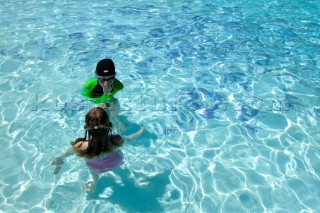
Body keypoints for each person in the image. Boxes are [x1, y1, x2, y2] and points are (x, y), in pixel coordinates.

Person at [52, 107, 145, 194]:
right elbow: (130, 138)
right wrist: (140, 131)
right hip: (116, 161)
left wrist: (59, 159)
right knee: (119, 164)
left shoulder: (83, 145)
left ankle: (94, 185)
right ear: (110, 126)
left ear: (86, 127)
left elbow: (67, 153)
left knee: (95, 177)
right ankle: (129, 177)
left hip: (96, 167)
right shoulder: (116, 140)